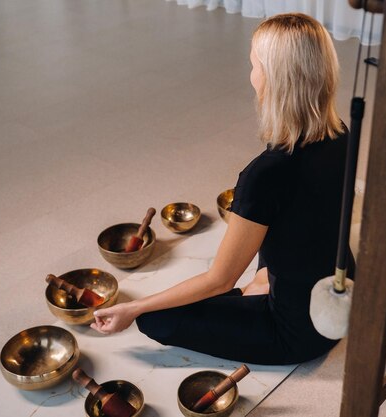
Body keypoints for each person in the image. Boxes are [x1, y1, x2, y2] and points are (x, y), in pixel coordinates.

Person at [91, 13, 352, 365]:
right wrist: (265, 274)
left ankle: (259, 291)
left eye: (253, 65)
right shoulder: (341, 134)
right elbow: (312, 220)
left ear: (274, 79)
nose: (251, 75)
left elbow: (220, 279)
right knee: (282, 216)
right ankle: (263, 283)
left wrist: (134, 307)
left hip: (299, 333)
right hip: (338, 290)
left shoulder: (265, 174)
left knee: (156, 319)